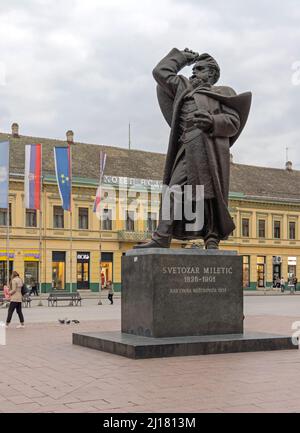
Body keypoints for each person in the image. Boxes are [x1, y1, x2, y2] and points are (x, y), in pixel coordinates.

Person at [134, 48, 251, 249]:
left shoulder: (223, 92)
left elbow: (233, 122)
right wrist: (183, 58)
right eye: (193, 69)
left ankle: (212, 237)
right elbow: (160, 72)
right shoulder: (183, 87)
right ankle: (162, 236)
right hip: (187, 145)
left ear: (212, 74)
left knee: (209, 193)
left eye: (199, 69)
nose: (193, 72)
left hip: (209, 146)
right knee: (173, 190)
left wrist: (212, 121)